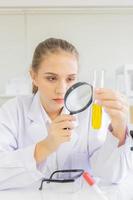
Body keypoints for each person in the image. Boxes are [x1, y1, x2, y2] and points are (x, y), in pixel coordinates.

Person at [0, 37, 131, 190]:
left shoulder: (90, 112)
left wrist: (119, 130)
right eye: (51, 78)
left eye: (70, 79)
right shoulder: (13, 111)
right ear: (34, 76)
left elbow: (113, 175)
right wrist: (46, 146)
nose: (62, 89)